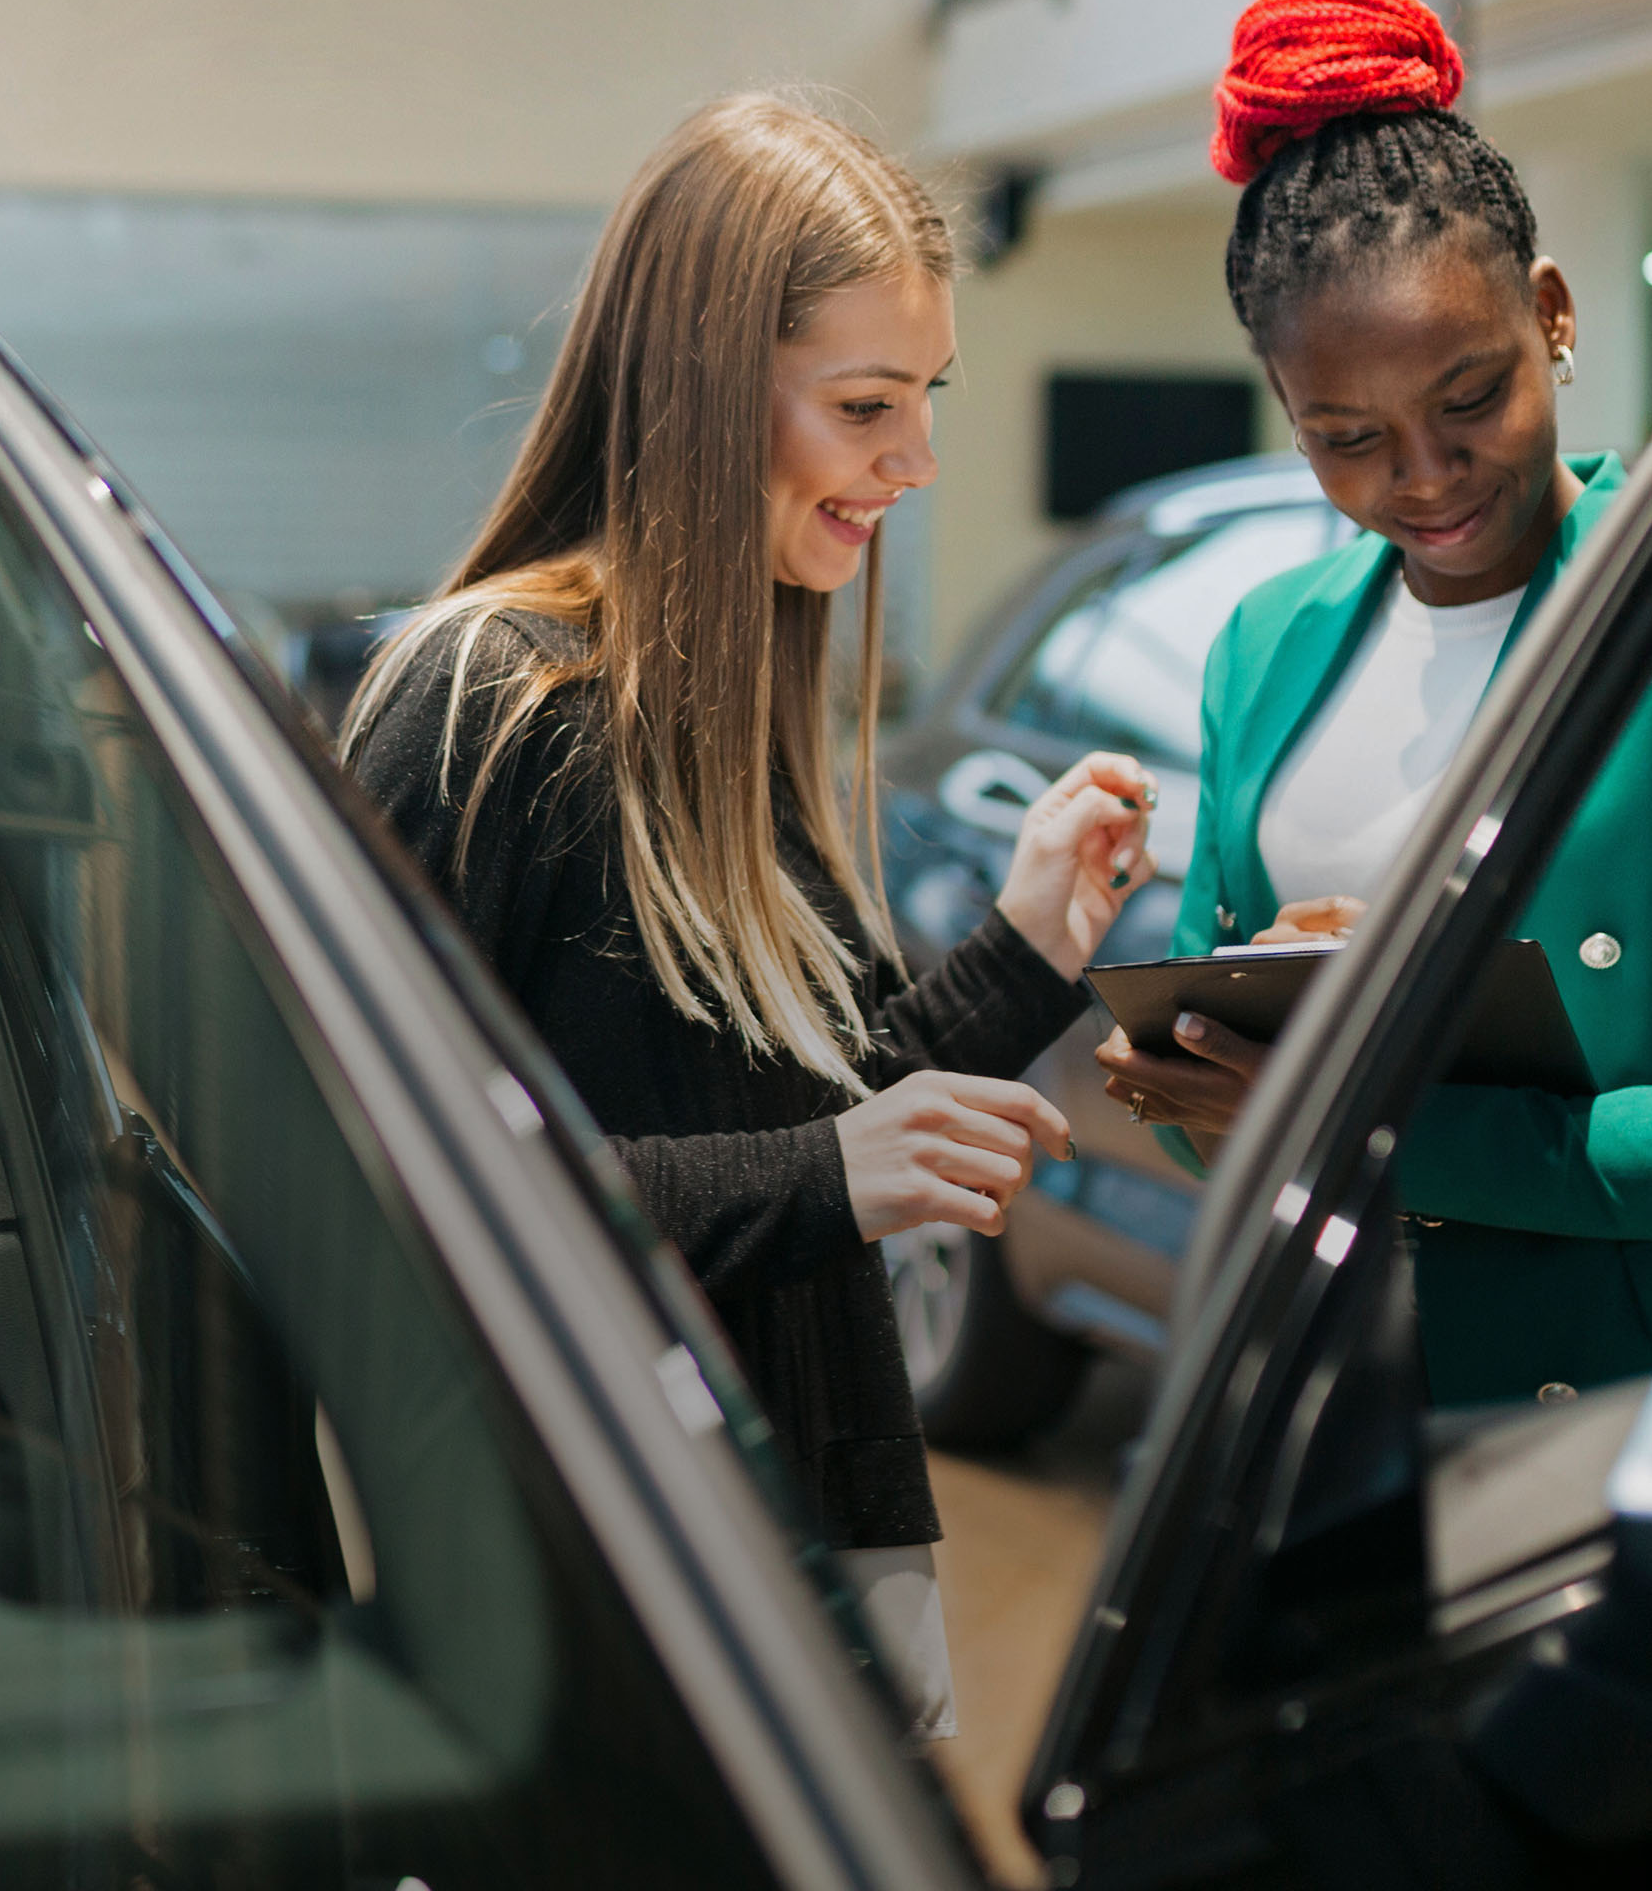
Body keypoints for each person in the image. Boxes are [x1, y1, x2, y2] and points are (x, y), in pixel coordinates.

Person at [344, 94, 1157, 1737]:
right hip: (606, 1588)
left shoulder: (726, 699)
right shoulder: (485, 707)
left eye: (925, 401)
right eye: (867, 404)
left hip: (797, 1535)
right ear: (707, 394)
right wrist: (821, 1174)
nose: (916, 463)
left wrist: (1027, 951)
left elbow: (814, 1114)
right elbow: (391, 1188)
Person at [1093, 0, 1652, 1408]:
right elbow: (1207, 1104)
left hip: (1588, 1406)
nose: (1425, 478)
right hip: (1301, 1383)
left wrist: (1355, 1113)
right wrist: (1229, 1051)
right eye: (1346, 437)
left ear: (1552, 316)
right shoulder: (1265, 641)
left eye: (1470, 397)